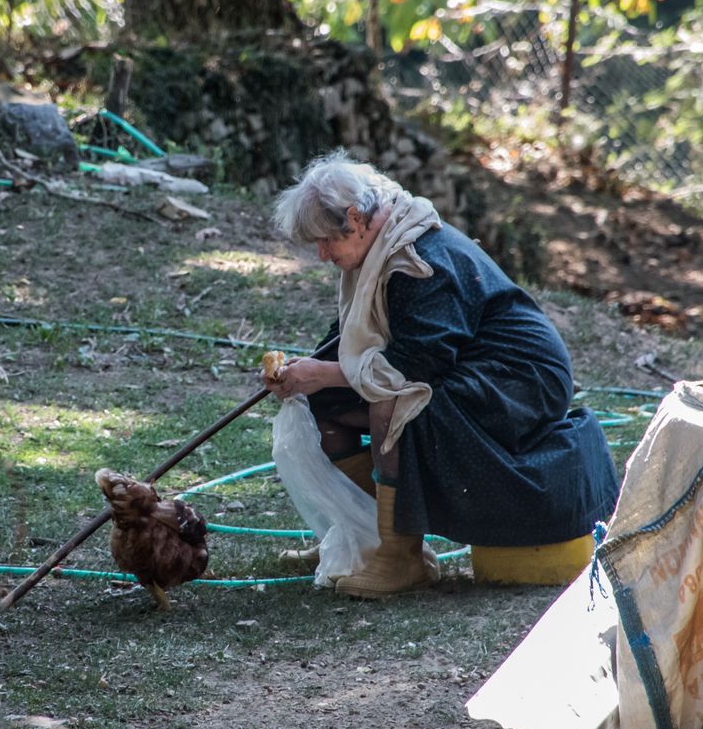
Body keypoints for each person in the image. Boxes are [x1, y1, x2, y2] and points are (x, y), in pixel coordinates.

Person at [264, 150, 619, 599]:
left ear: (354, 218)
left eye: (325, 240)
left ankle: (401, 556)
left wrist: (326, 373)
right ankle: (363, 536)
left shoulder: (417, 259)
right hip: (465, 368)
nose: (321, 254)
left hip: (518, 380)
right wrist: (304, 375)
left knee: (391, 401)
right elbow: (348, 342)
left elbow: (412, 368)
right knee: (325, 403)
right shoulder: (373, 250)